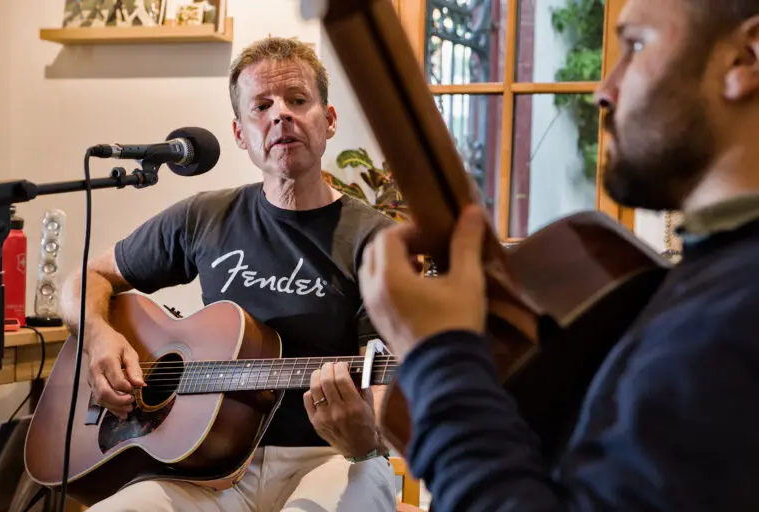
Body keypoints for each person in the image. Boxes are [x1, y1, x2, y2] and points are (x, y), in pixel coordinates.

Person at [359, 0, 759, 510]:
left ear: (745, 59)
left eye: (635, 45)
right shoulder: (711, 276)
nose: (603, 90)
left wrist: (440, 355)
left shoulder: (737, 314)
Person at [60, 36, 397, 511]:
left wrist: (367, 433)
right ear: (241, 134)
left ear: (329, 120)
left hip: (330, 458)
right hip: (205, 471)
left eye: (298, 100)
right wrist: (98, 336)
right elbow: (82, 281)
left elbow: (384, 386)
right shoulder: (205, 217)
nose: (280, 114)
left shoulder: (377, 241)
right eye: (262, 105)